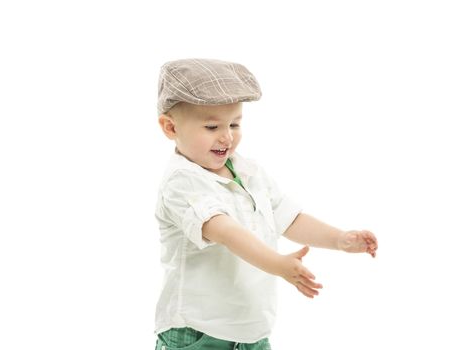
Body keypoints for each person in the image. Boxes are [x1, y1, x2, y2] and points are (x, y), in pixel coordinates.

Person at [154, 58, 378, 350]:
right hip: (199, 332)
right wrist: (279, 265)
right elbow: (226, 232)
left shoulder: (248, 171)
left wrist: (340, 239)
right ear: (170, 127)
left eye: (234, 123)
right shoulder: (182, 182)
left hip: (251, 331)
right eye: (211, 126)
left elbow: (289, 218)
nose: (227, 136)